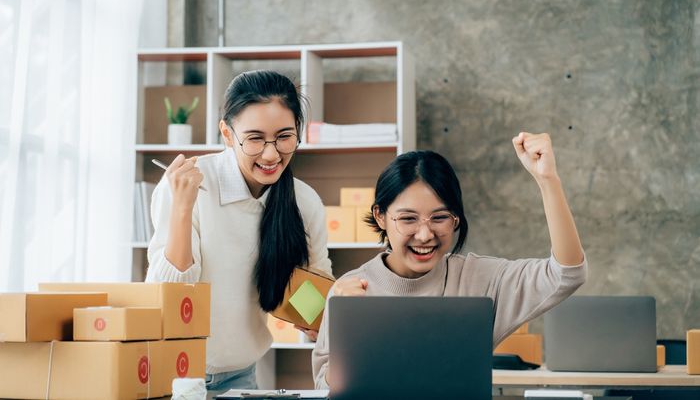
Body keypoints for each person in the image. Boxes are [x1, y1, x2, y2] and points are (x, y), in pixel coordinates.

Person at [312, 133, 587, 389]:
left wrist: (548, 180)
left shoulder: (481, 279)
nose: (424, 234)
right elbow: (324, 385)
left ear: (456, 218)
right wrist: (348, 327)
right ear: (381, 216)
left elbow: (566, 273)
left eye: (440, 217)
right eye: (408, 218)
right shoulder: (349, 290)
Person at [146, 70, 332, 395]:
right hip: (175, 371)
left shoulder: (304, 202)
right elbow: (169, 293)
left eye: (284, 136)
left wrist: (319, 319)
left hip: (241, 376)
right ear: (228, 134)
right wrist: (182, 207)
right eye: (256, 138)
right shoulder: (188, 184)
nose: (271, 154)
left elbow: (316, 292)